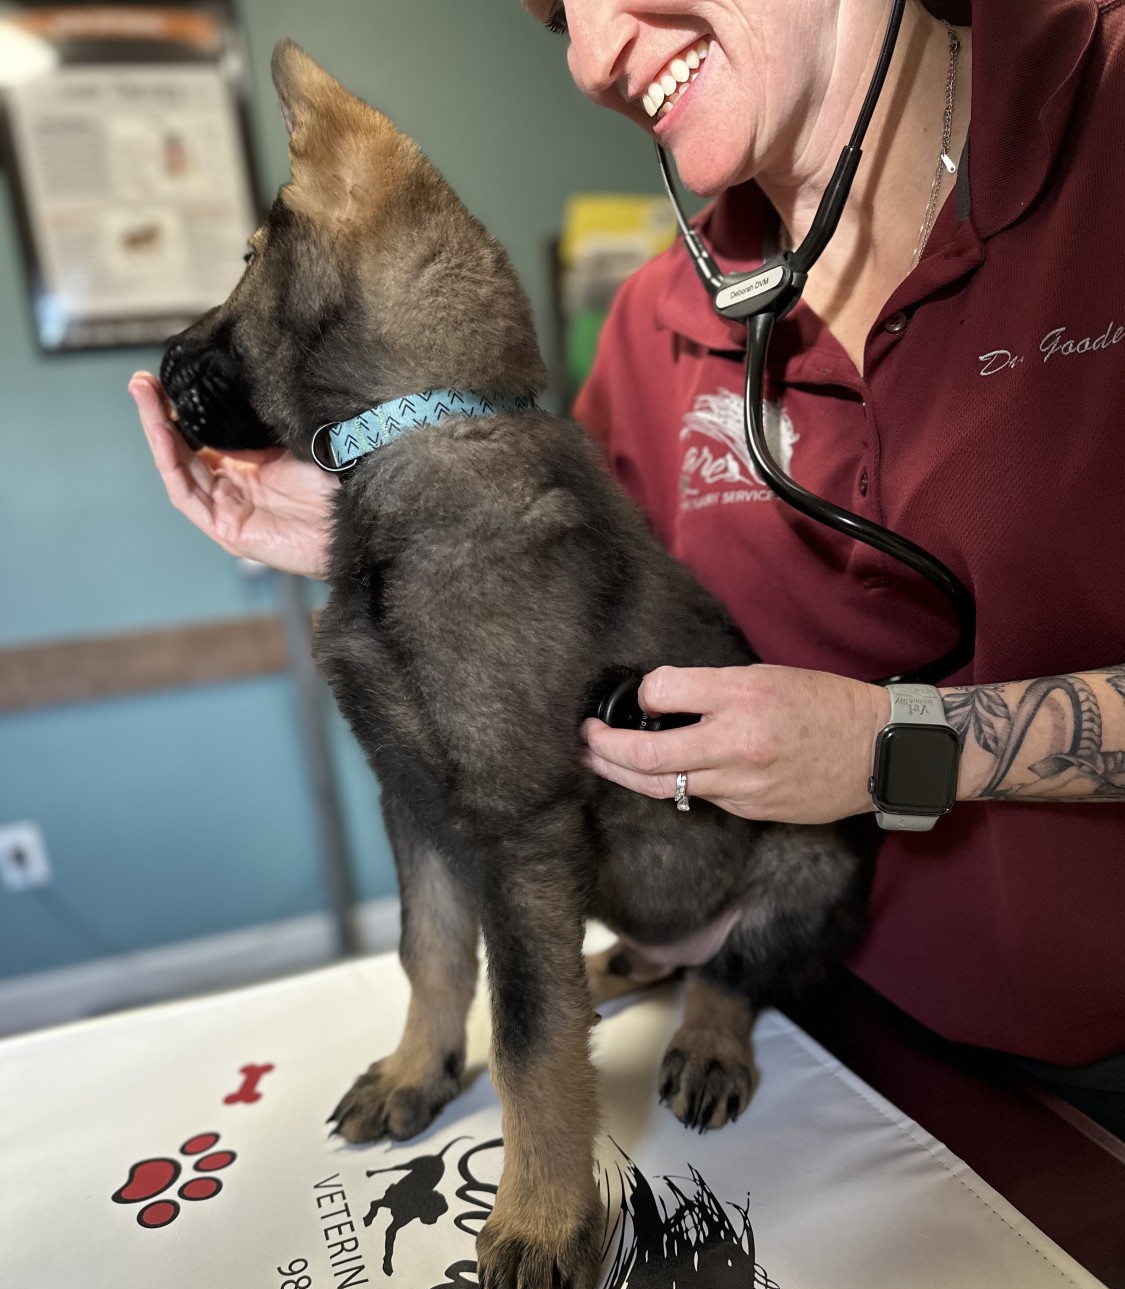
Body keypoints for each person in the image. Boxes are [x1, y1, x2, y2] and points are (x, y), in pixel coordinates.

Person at [129, 0, 1125, 1130]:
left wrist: (900, 748)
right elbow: (548, 616)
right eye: (561, 20)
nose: (596, 57)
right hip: (833, 1029)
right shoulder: (663, 317)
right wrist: (368, 531)